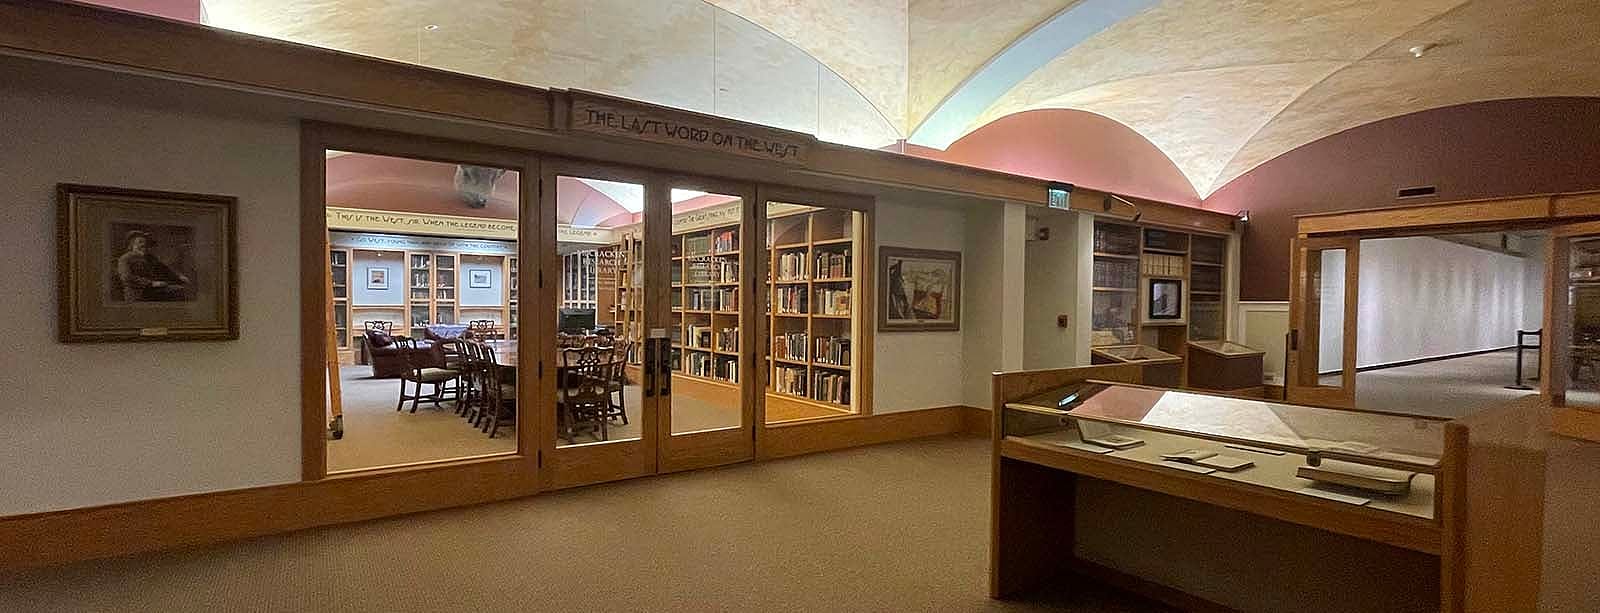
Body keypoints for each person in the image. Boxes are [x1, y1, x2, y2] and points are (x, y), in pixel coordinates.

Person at [116, 230, 190, 302]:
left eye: (145, 243)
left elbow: (165, 269)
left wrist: (179, 277)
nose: (143, 245)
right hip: (136, 294)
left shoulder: (150, 258)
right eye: (140, 242)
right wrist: (151, 283)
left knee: (179, 290)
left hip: (152, 291)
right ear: (132, 245)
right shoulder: (125, 259)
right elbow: (127, 277)